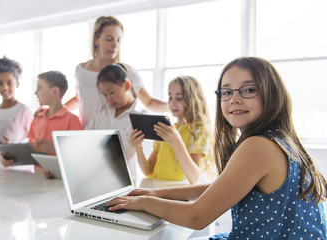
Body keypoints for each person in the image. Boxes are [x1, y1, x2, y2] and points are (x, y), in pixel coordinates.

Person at [107, 57, 327, 239]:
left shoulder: (259, 146)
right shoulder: (279, 139)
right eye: (226, 92)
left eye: (248, 90)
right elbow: (219, 188)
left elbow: (197, 217)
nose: (234, 99)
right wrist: (158, 193)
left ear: (272, 96)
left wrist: (143, 202)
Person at [64, 16, 168, 128]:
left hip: (113, 132)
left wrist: (175, 106)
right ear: (96, 40)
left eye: (118, 40)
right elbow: (78, 99)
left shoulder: (125, 71)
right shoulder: (81, 70)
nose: (115, 45)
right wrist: (54, 112)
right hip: (86, 131)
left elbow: (149, 102)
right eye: (109, 39)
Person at [129, 76, 216, 184]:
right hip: (156, 188)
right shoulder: (167, 129)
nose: (172, 103)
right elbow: (148, 170)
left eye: (179, 98)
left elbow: (194, 178)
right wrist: (138, 148)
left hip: (178, 192)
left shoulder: (199, 131)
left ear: (193, 99)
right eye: (170, 97)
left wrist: (176, 142)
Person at [1, 71, 82, 171]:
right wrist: (13, 151)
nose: (35, 93)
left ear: (55, 92)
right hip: (37, 179)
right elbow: (31, 150)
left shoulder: (72, 120)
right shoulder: (37, 118)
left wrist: (53, 149)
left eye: (39, 88)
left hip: (59, 179)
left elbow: (78, 155)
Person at [86, 63, 148, 179]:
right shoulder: (102, 110)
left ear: (127, 85)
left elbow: (128, 152)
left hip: (123, 176)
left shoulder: (140, 116)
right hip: (94, 173)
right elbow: (86, 136)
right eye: (104, 94)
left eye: (111, 92)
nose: (108, 99)